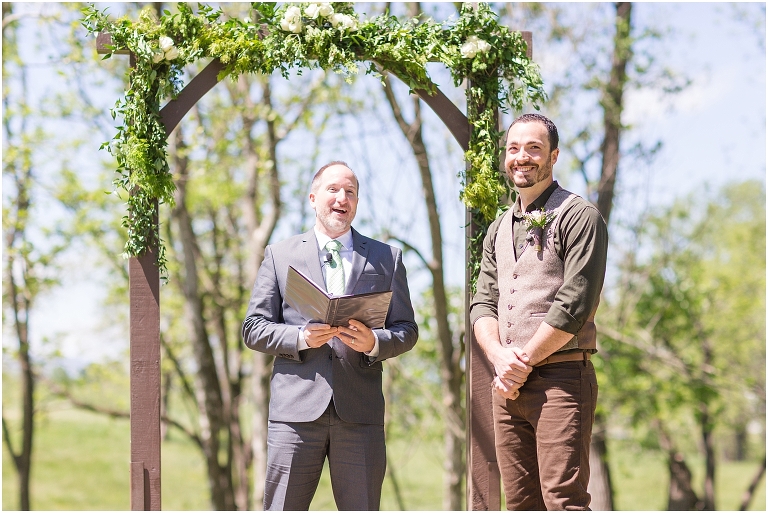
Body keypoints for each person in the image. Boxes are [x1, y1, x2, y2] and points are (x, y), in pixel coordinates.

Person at [242, 161, 418, 511]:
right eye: (333, 190)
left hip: (360, 414)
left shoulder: (387, 258)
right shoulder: (280, 255)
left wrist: (375, 343)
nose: (342, 198)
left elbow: (407, 330)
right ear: (312, 198)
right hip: (294, 414)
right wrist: (301, 337)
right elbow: (254, 328)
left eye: (350, 192)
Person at [470, 113, 608, 510]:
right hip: (508, 385)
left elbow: (575, 303)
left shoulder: (580, 216)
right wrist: (499, 358)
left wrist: (522, 362)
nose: (522, 157)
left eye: (533, 148)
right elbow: (483, 302)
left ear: (553, 156)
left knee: (563, 500)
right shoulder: (498, 228)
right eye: (513, 148)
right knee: (519, 503)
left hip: (561, 379)